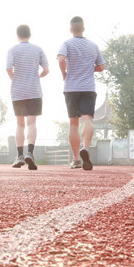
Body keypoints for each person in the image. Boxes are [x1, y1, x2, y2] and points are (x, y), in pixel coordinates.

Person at [57, 16, 105, 170]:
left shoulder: (66, 43)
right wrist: (89, 68)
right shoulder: (93, 46)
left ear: (71, 30)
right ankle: (86, 148)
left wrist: (64, 73)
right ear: (84, 29)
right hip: (88, 88)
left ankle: (77, 159)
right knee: (87, 120)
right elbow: (101, 66)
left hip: (71, 88)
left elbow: (61, 59)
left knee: (73, 123)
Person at [6, 24, 50, 170]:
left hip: (18, 91)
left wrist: (15, 78)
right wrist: (38, 76)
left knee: (20, 124)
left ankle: (19, 156)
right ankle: (30, 153)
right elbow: (46, 70)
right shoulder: (38, 49)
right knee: (32, 123)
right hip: (34, 90)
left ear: (17, 35)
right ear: (29, 35)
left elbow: (8, 68)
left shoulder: (12, 49)